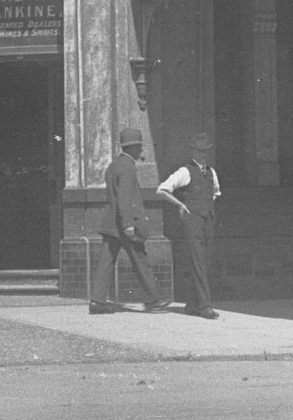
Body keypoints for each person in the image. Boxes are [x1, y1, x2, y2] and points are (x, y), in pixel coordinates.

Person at [90, 127, 167, 314]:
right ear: (131, 148)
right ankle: (152, 301)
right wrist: (129, 225)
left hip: (111, 223)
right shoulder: (128, 167)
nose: (140, 150)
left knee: (107, 261)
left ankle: (97, 302)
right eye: (138, 146)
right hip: (125, 225)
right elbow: (125, 198)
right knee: (141, 260)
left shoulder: (114, 165)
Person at [156, 138, 220, 319]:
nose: (203, 155)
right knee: (198, 260)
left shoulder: (211, 172)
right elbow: (162, 190)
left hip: (208, 220)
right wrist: (180, 204)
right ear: (193, 153)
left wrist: (205, 206)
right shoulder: (185, 171)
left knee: (205, 261)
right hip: (193, 221)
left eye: (205, 152)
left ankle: (192, 304)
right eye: (200, 152)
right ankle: (204, 306)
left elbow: (215, 192)